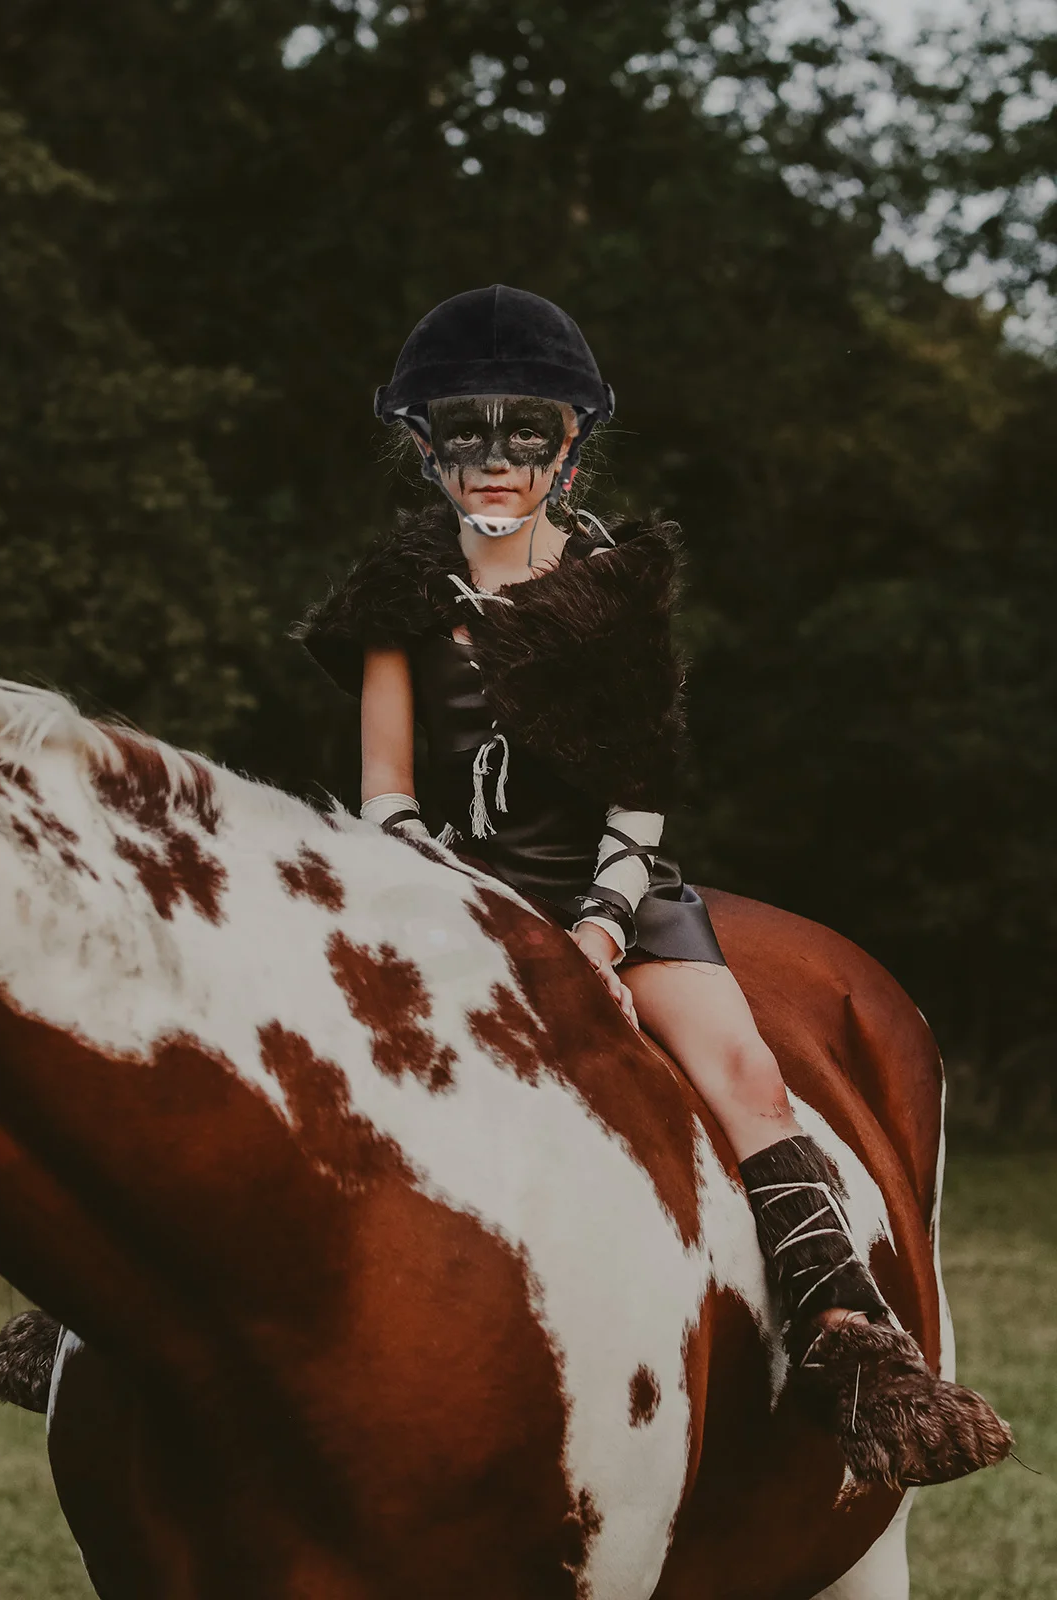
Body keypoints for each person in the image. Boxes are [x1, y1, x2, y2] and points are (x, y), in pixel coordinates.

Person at [297, 284, 1009, 1487]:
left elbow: (637, 785)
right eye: (461, 432)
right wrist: (446, 897)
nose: (491, 463)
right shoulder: (397, 597)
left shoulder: (615, 586)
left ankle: (850, 1335)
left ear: (567, 442)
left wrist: (594, 928)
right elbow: (382, 788)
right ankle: (94, 1303)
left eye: (522, 433)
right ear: (423, 442)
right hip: (443, 887)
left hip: (612, 891)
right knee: (283, 1025)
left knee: (740, 1072)